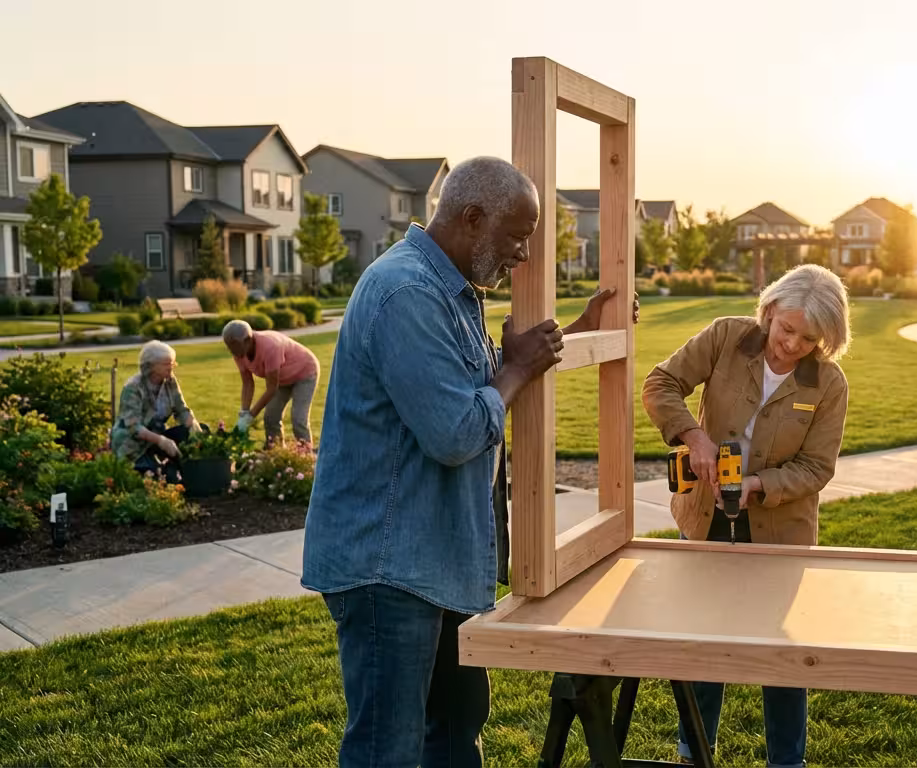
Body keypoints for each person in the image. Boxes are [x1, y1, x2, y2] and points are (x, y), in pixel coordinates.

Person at [301, 156, 637, 768]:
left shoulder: (453, 291)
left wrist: (576, 333)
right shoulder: (405, 293)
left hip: (433, 556)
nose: (524, 255)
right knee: (388, 750)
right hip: (387, 565)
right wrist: (515, 369)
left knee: (456, 732)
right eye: (516, 236)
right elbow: (455, 431)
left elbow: (481, 390)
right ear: (471, 217)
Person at [642, 263, 852, 768]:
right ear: (770, 310)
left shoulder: (828, 383)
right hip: (704, 518)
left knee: (781, 653)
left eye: (809, 338)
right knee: (704, 643)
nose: (792, 345)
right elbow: (661, 383)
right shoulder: (725, 337)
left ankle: (786, 761)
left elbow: (817, 467)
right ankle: (694, 753)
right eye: (786, 329)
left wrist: (758, 487)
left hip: (781, 533)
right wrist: (694, 437)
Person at [110, 340, 204, 481]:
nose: (171, 367)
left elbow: (182, 410)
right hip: (132, 442)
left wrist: (194, 427)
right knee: (154, 477)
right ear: (151, 366)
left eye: (173, 363)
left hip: (158, 434)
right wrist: (161, 441)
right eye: (167, 364)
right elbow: (133, 427)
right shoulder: (133, 388)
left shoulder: (170, 381)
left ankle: (190, 470)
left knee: (198, 431)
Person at [220, 320, 322, 448]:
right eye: (229, 346)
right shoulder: (239, 352)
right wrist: (244, 413)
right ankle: (276, 454)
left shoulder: (270, 347)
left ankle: (307, 457)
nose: (231, 350)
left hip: (305, 372)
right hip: (283, 378)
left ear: (247, 340)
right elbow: (247, 383)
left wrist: (250, 416)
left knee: (298, 419)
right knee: (271, 418)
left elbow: (272, 389)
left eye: (234, 345)